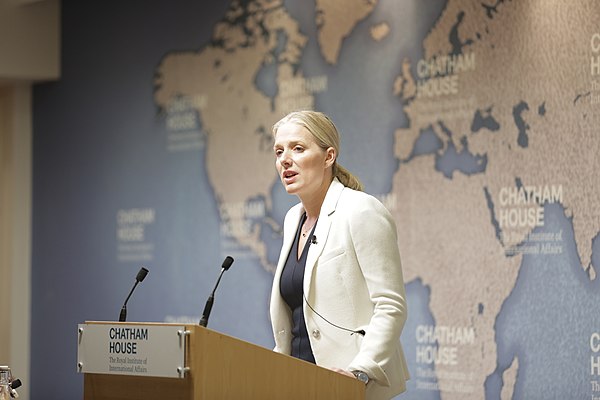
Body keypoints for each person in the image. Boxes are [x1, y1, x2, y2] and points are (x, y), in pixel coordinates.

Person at [269, 110, 409, 399]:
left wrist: (360, 372)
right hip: (297, 381)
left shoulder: (360, 210)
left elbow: (390, 305)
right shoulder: (292, 219)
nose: (285, 160)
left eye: (298, 148)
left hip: (348, 385)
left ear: (328, 156)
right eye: (279, 151)